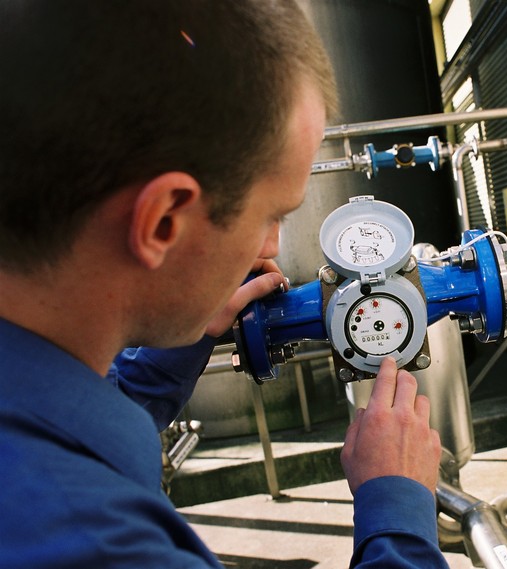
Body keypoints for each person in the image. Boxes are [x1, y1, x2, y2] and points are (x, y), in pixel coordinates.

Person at [0, 1, 447, 568]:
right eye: (272, 216)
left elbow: (70, 426)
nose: (271, 250)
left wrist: (176, 346)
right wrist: (398, 507)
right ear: (164, 221)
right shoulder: (104, 545)